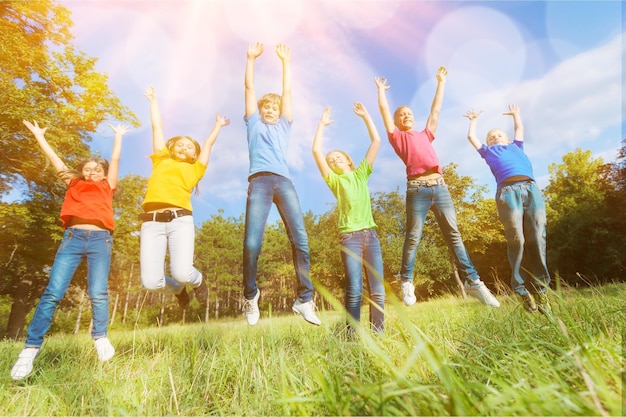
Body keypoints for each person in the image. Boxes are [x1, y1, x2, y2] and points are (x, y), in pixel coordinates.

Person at [11, 120, 130, 381]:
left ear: (103, 173)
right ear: (81, 172)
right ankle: (30, 350)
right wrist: (40, 136)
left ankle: (100, 337)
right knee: (53, 292)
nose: (92, 173)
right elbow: (54, 158)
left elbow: (116, 158)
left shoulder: (107, 186)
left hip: (101, 240)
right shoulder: (74, 184)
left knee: (98, 292)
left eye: (97, 170)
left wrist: (118, 136)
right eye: (87, 169)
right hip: (73, 238)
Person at [374, 69, 500, 308]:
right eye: (402, 114)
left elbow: (436, 110)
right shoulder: (397, 137)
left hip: (440, 187)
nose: (407, 115)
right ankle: (407, 281)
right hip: (417, 189)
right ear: (397, 121)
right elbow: (383, 112)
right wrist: (381, 92)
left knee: (454, 235)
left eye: (409, 113)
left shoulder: (425, 134)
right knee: (413, 236)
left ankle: (473, 282)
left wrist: (441, 83)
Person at [242, 42, 320, 326]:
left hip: (284, 182)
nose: (271, 110)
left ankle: (304, 299)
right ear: (260, 111)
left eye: (275, 107)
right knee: (252, 242)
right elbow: (249, 91)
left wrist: (286, 62)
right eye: (267, 107)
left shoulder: (285, 124)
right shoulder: (253, 124)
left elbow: (287, 92)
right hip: (260, 182)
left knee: (301, 240)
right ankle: (250, 296)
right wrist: (250, 59)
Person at [139, 86, 229, 309]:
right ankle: (178, 290)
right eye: (179, 144)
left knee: (182, 271)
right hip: (151, 222)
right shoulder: (161, 160)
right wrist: (153, 101)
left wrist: (217, 126)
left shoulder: (196, 168)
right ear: (172, 149)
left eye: (189, 146)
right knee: (151, 282)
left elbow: (208, 144)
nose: (183, 146)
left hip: (180, 220)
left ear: (194, 155)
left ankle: (198, 282)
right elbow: (157, 127)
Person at [464, 105, 551, 313]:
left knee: (537, 238)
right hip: (507, 193)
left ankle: (541, 291)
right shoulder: (488, 152)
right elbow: (471, 137)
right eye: (491, 136)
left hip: (531, 189)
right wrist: (473, 120)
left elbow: (519, 129)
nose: (495, 137)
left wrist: (516, 115)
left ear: (507, 139)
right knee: (517, 240)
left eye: (499, 135)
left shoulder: (516, 147)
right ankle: (521, 290)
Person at [312, 104, 385, 334]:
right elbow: (316, 151)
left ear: (348, 160)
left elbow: (376, 141)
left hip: (371, 235)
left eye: (338, 157)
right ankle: (352, 335)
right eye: (331, 160)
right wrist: (321, 125)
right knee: (354, 289)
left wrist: (366, 116)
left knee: (378, 290)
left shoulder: (361, 173)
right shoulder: (335, 181)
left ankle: (378, 333)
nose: (333, 161)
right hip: (350, 238)